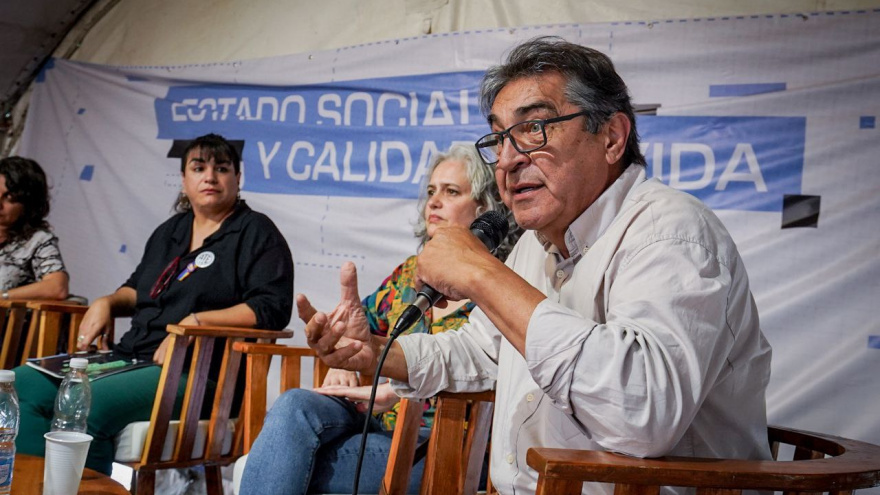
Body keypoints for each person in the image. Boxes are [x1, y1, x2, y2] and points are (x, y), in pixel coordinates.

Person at [302, 37, 773, 495]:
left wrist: (481, 273)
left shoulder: (672, 231)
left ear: (611, 137)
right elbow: (478, 351)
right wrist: (375, 353)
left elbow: (642, 412)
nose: (507, 160)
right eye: (499, 138)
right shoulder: (534, 245)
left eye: (534, 129)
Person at [240, 144, 518, 495]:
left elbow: (504, 372)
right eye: (431, 191)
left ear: (484, 209)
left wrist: (395, 391)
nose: (433, 202)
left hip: (449, 442)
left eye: (451, 192)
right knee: (295, 405)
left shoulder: (501, 283)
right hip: (380, 422)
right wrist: (344, 353)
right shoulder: (407, 276)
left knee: (279, 461)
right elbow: (361, 328)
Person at [13, 133, 294, 475]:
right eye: (199, 168)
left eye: (221, 168)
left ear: (237, 178)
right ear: (183, 179)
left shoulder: (256, 232)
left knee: (87, 403)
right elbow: (139, 289)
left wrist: (197, 322)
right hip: (131, 357)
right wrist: (108, 301)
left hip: (200, 373)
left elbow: (272, 307)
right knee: (18, 385)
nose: (210, 176)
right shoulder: (171, 230)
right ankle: (33, 484)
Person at [0, 156, 69, 301]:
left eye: (9, 197)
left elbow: (57, 288)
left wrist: (3, 296)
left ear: (28, 204)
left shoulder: (36, 240)